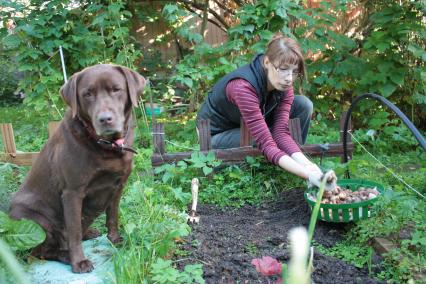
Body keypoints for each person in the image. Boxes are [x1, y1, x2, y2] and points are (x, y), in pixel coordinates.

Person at [197, 34, 335, 189]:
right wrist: (307, 175)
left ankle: (287, 163)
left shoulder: (284, 84)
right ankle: (279, 164)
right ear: (267, 62)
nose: (289, 78)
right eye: (283, 70)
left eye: (294, 72)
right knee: (264, 136)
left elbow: (281, 133)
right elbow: (266, 141)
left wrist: (310, 166)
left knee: (303, 104)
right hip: (217, 137)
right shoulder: (242, 87)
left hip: (246, 126)